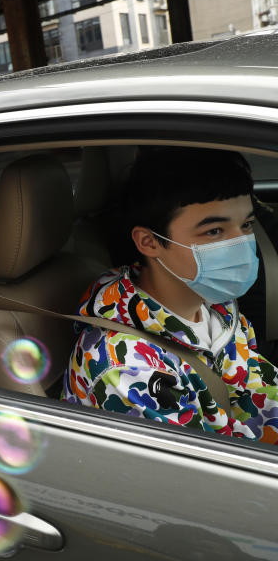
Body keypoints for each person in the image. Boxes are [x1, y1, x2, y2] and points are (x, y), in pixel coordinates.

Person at [62, 147, 278, 443]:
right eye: (214, 231)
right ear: (149, 242)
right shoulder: (127, 369)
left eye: (246, 225)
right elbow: (206, 473)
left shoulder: (215, 302)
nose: (241, 244)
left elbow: (256, 383)